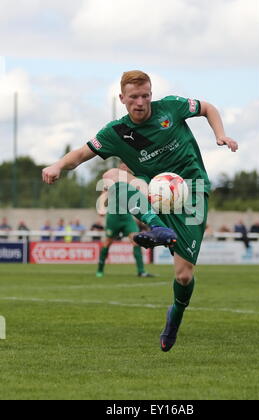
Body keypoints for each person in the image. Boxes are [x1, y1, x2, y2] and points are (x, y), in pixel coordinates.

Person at [42, 70, 238, 352]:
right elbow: (81, 154)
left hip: (192, 191)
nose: (140, 102)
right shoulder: (116, 132)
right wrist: (58, 165)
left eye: (145, 95)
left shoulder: (170, 107)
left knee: (183, 276)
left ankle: (176, 315)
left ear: (151, 94)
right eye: (134, 97)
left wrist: (221, 135)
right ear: (122, 98)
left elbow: (207, 108)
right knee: (112, 177)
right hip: (153, 190)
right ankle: (156, 226)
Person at [96, 163, 154, 279]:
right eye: (123, 166)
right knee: (107, 242)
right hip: (113, 217)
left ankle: (141, 271)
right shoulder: (112, 179)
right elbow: (104, 194)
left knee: (136, 240)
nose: (125, 168)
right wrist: (101, 208)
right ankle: (100, 270)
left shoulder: (131, 180)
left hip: (127, 217)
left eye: (127, 166)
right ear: (119, 166)